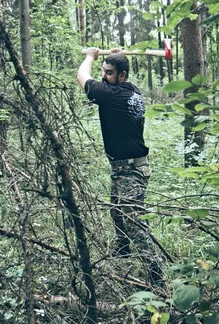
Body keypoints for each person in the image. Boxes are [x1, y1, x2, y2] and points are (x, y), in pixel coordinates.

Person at [77, 48, 164, 285]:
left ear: (122, 76)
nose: (104, 77)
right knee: (116, 211)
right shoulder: (130, 90)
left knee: (132, 221)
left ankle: (157, 277)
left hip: (131, 169)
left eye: (109, 73)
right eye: (103, 72)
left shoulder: (111, 95)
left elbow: (82, 76)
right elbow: (112, 74)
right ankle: (123, 251)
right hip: (124, 167)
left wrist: (90, 57)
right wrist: (114, 58)